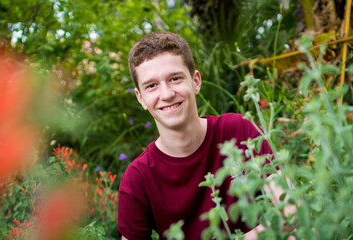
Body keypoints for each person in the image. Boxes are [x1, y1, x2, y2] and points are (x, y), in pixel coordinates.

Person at [118, 31, 279, 240]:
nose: (166, 94)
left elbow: (291, 208)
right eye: (152, 86)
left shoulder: (239, 131)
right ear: (140, 98)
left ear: (196, 81)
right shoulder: (138, 179)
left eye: (175, 79)